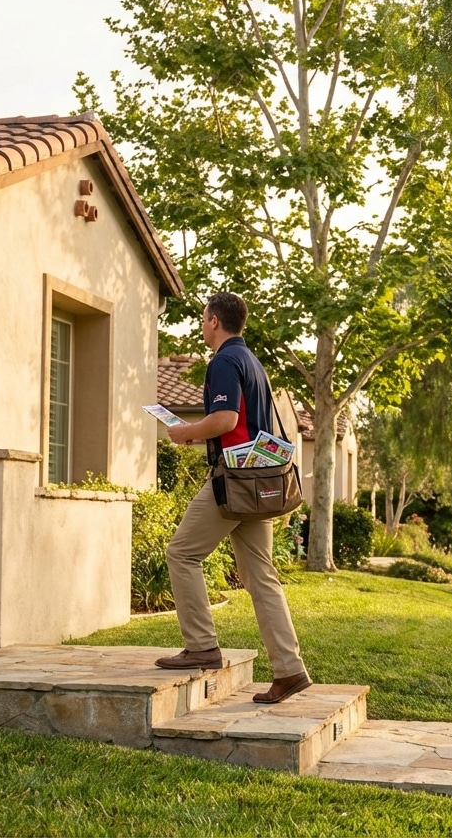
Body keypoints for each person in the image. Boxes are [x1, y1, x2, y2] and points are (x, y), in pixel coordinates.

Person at [155, 292, 311, 704]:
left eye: (203, 318)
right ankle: (290, 670)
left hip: (234, 482)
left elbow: (226, 419)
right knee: (261, 576)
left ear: (214, 321)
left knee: (182, 554)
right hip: (259, 484)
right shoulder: (252, 362)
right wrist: (201, 436)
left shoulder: (223, 361)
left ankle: (202, 646)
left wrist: (185, 431)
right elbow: (241, 424)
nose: (201, 324)